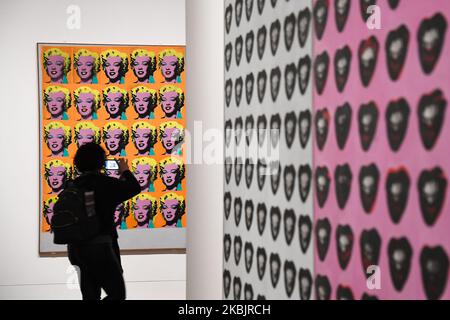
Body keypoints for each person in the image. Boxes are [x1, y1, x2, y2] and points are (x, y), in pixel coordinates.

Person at [67, 143, 140, 300]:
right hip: (100, 247)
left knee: (90, 296)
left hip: (76, 249)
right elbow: (134, 188)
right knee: (117, 294)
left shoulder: (72, 185)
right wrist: (125, 170)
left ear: (77, 163)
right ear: (101, 162)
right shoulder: (106, 184)